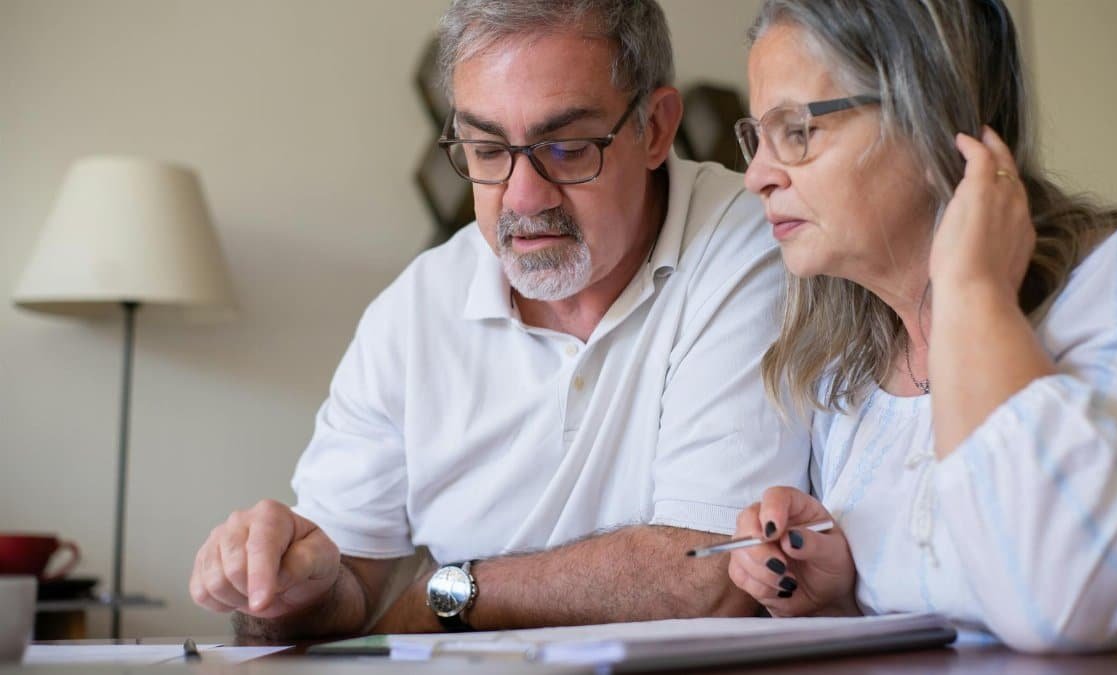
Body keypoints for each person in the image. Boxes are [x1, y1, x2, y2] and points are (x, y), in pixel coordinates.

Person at [189, 0, 806, 638]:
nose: (523, 198)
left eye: (566, 148)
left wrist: (446, 596)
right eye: (486, 150)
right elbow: (340, 594)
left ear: (655, 129)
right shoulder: (415, 309)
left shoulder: (751, 243)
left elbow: (711, 571)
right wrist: (277, 588)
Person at [726, 0, 1117, 656]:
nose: (756, 176)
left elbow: (1074, 596)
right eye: (756, 136)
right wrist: (839, 599)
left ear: (926, 116)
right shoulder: (849, 382)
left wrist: (973, 295)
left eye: (796, 131)